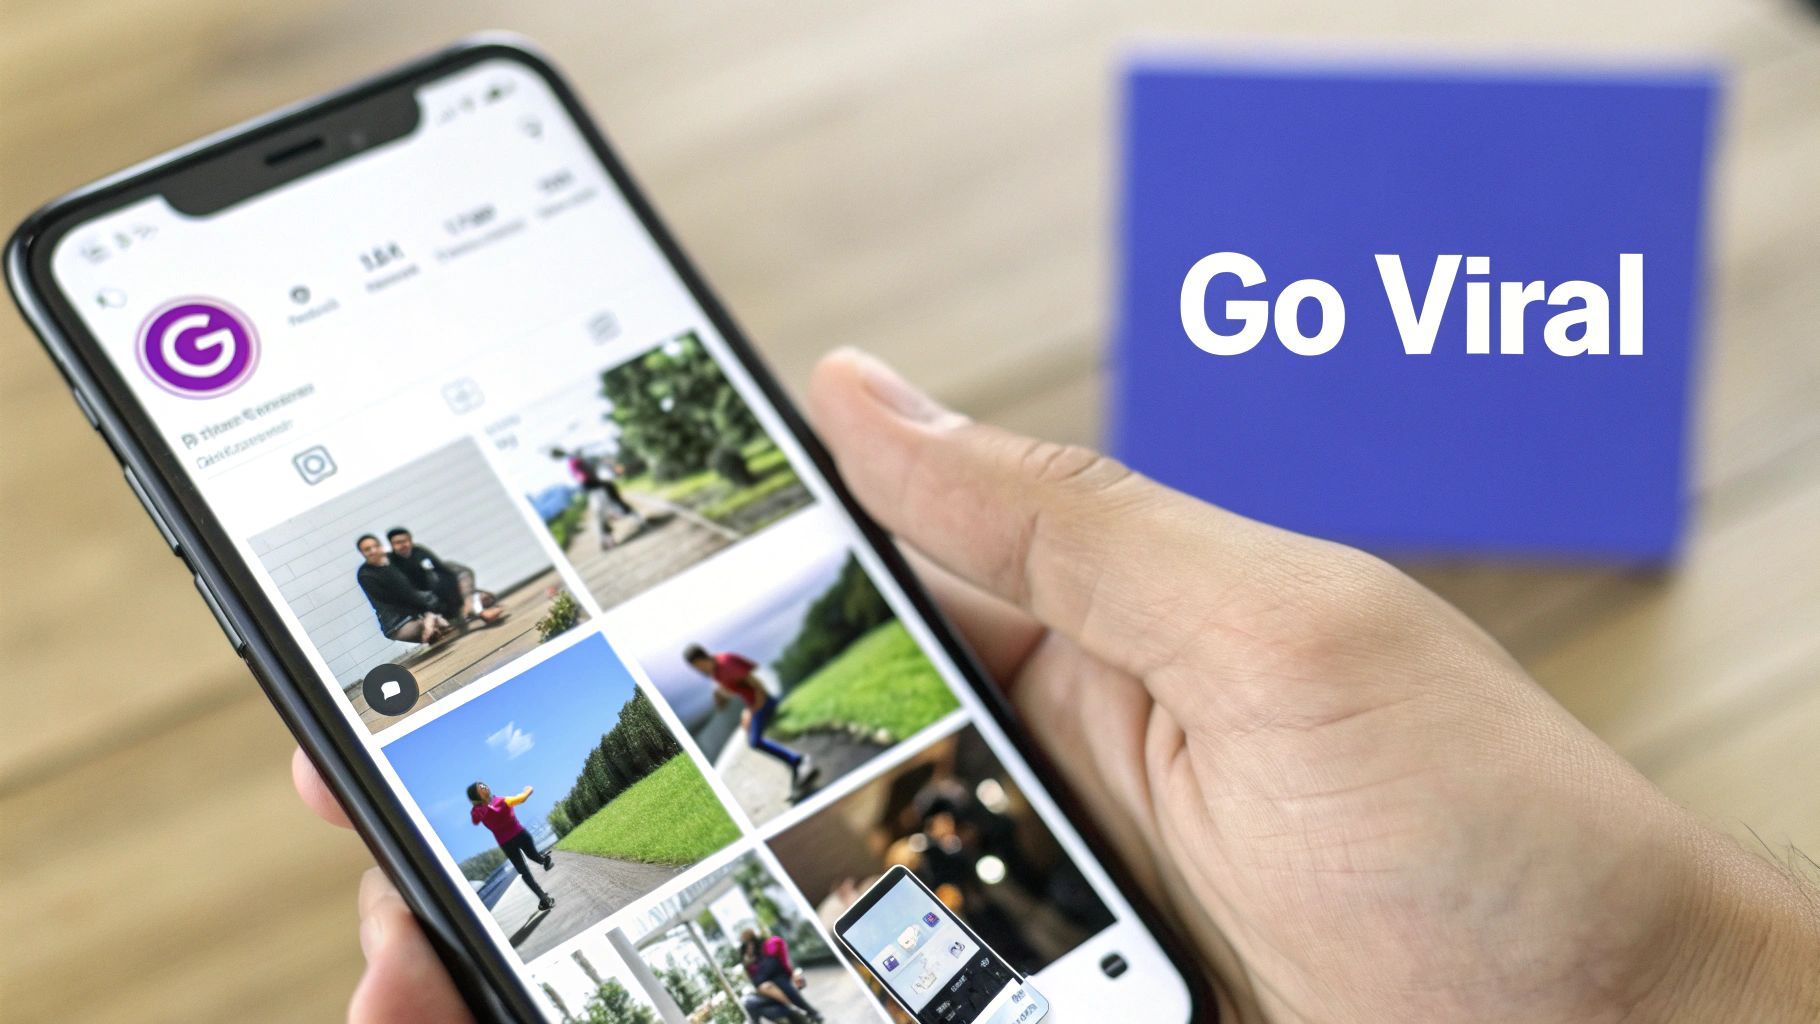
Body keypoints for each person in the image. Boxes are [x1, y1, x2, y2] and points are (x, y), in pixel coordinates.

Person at [295, 351, 1820, 1024]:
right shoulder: (518, 664)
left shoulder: (718, 668)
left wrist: (1682, 988)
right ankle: (546, 848)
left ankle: (566, 815)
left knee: (740, 749)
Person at [683, 643, 820, 796]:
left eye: (697, 667)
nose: (698, 671)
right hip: (754, 704)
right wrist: (723, 697)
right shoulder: (716, 672)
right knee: (751, 734)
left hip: (765, 700)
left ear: (701, 660)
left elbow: (758, 686)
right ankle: (795, 765)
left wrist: (753, 711)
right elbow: (736, 691)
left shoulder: (726, 663)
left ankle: (798, 761)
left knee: (754, 741)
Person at [386, 527, 504, 627]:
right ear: (392, 545)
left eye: (405, 541)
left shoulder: (419, 551)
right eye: (397, 543)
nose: (403, 545)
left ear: (410, 540)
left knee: (487, 597)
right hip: (429, 602)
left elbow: (443, 570)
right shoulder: (392, 563)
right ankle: (475, 611)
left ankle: (471, 606)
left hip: (447, 590)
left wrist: (462, 593)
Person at [467, 781, 556, 913]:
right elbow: (521, 798)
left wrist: (476, 805)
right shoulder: (501, 801)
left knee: (526, 868)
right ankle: (544, 887)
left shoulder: (480, 810)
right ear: (477, 794)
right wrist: (528, 790)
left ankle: (543, 870)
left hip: (508, 843)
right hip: (519, 836)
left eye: (484, 785)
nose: (485, 787)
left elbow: (475, 819)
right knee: (531, 860)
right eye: (481, 787)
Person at [353, 533, 453, 645]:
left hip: (421, 611)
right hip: (398, 624)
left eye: (375, 546)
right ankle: (431, 627)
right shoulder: (366, 575)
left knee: (444, 620)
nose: (373, 551)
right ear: (362, 553)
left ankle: (433, 625)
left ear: (381, 546)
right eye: (367, 549)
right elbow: (397, 599)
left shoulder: (394, 559)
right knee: (437, 625)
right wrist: (427, 615)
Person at [552, 447, 646, 550]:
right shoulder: (574, 463)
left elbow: (591, 472)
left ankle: (637, 520)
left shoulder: (578, 461)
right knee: (600, 514)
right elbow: (582, 475)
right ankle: (606, 539)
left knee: (614, 504)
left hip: (597, 486)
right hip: (592, 487)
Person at [739, 928, 822, 1023]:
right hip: (765, 985)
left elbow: (773, 964)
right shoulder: (746, 957)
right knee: (768, 988)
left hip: (776, 977)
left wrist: (790, 973)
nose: (749, 948)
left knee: (782, 985)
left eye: (750, 944)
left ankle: (807, 1012)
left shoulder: (764, 946)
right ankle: (803, 1011)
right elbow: (755, 978)